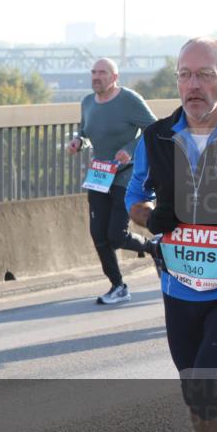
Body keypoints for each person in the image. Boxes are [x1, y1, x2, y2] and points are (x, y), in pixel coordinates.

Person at [126, 37, 217, 432]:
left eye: (204, 74)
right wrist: (159, 217)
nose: (192, 85)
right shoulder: (155, 137)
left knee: (206, 385)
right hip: (179, 286)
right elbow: (133, 202)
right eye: (184, 74)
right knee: (199, 401)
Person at [66, 58, 157, 304]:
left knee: (116, 235)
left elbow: (154, 129)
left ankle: (153, 248)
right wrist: (79, 142)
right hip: (100, 175)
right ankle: (118, 286)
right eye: (93, 72)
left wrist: (130, 147)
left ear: (114, 77)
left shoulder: (129, 100)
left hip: (126, 174)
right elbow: (84, 132)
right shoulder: (87, 102)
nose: (96, 77)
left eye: (102, 73)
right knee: (98, 234)